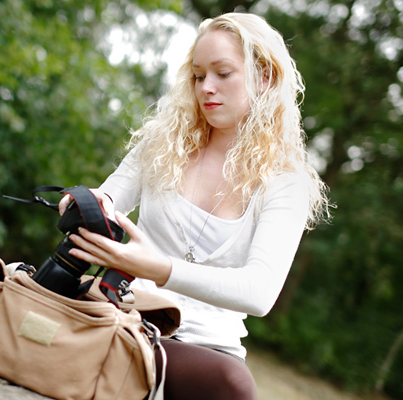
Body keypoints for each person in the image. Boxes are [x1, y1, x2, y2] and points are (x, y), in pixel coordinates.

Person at [59, 12, 331, 400]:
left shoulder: (286, 184)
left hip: (204, 350)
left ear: (265, 77)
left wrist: (159, 268)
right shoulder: (162, 143)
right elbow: (109, 197)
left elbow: (259, 293)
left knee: (234, 386)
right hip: (122, 313)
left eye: (223, 73)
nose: (207, 88)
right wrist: (86, 203)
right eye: (199, 75)